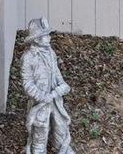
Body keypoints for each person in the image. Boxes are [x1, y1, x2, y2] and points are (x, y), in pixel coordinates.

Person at [21, 17, 75, 154]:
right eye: (46, 35)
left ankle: (62, 148)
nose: (49, 37)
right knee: (40, 131)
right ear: (37, 39)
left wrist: (61, 86)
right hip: (40, 104)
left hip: (55, 101)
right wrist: (42, 96)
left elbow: (57, 75)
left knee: (61, 126)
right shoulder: (28, 57)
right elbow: (27, 83)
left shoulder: (51, 53)